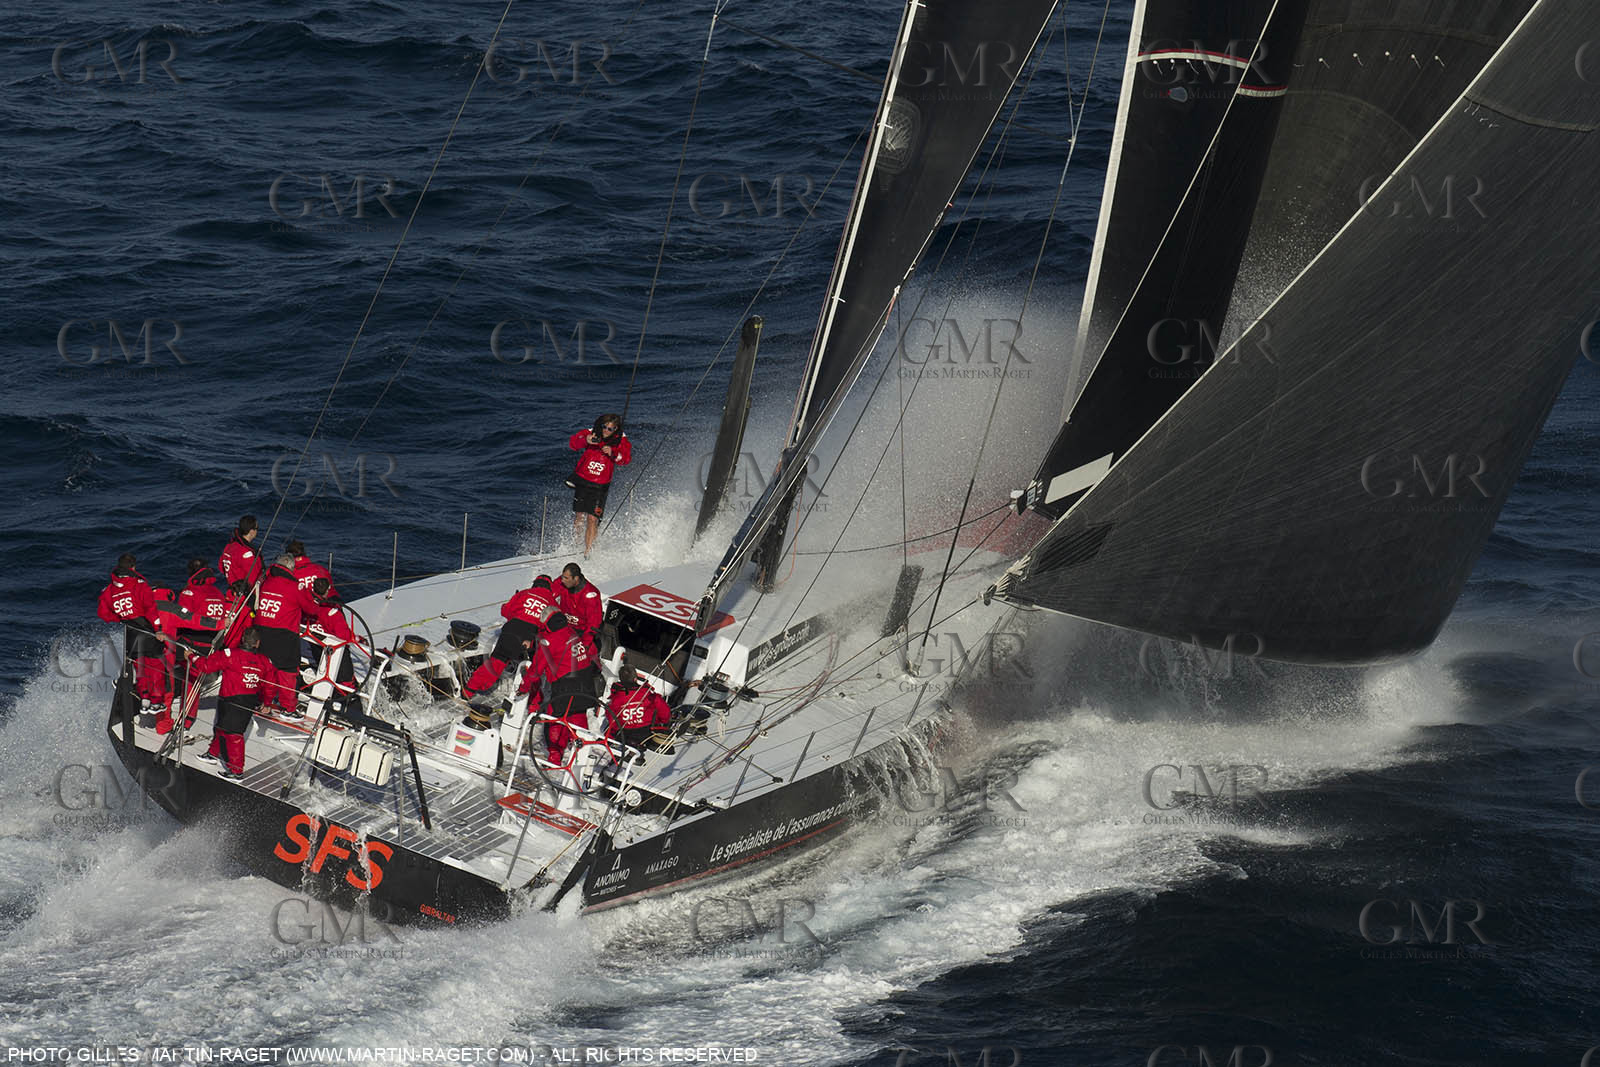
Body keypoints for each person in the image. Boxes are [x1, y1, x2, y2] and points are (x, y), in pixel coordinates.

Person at [191, 627, 273, 780]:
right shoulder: (265, 661)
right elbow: (270, 685)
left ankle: (237, 771)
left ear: (243, 640)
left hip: (230, 699)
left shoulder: (230, 655)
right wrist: (267, 703)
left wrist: (191, 657)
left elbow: (206, 666)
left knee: (234, 734)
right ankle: (213, 754)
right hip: (245, 700)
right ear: (257, 643)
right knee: (222, 727)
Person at [517, 612, 599, 762]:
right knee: (577, 714)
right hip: (586, 681)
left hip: (566, 685)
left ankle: (555, 757)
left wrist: (523, 687)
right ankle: (583, 754)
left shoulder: (548, 641)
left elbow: (536, 671)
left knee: (554, 718)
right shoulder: (571, 631)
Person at [463, 573, 560, 698]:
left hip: (511, 629)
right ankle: (530, 698)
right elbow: (554, 626)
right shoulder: (552, 601)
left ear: (534, 584)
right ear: (549, 588)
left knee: (496, 662)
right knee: (534, 667)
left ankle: (469, 690)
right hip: (530, 636)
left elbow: (505, 611)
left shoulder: (524, 593)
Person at [96, 553, 166, 712]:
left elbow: (103, 613)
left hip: (130, 632)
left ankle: (145, 700)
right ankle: (155, 701)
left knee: (140, 666)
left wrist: (120, 619)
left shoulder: (109, 589)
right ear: (133, 567)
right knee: (154, 667)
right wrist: (159, 629)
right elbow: (150, 609)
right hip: (146, 629)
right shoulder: (139, 584)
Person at [253, 554, 315, 718]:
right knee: (287, 671)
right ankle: (288, 708)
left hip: (260, 632)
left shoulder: (266, 581)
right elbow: (311, 609)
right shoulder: (295, 587)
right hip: (283, 635)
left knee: (265, 669)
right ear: (291, 568)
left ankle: (261, 701)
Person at [568, 414, 630, 557]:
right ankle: (575, 545)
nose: (607, 431)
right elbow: (573, 444)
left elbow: (625, 459)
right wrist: (586, 440)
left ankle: (588, 551)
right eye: (605, 427)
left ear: (616, 429)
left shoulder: (621, 439)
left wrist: (613, 453)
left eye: (611, 429)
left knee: (593, 518)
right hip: (583, 480)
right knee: (579, 516)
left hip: (600, 485)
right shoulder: (590, 432)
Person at [305, 577, 358, 692]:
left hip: (316, 652)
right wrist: (358, 639)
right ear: (328, 590)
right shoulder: (332, 613)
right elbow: (345, 637)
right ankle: (348, 692)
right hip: (335, 658)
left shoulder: (306, 608)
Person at [604, 662, 673, 751]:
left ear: (620, 679)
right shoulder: (649, 695)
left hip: (624, 735)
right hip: (647, 734)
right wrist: (664, 722)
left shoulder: (614, 699)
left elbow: (612, 722)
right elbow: (665, 713)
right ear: (635, 679)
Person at [556, 562, 604, 658]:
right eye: (562, 577)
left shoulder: (590, 594)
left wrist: (585, 645)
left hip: (583, 632)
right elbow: (548, 592)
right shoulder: (562, 583)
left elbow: (593, 623)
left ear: (576, 578)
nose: (562, 580)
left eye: (566, 578)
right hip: (565, 628)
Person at [218, 515, 263, 589]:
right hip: (244, 594)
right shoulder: (247, 554)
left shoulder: (229, 547)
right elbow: (254, 578)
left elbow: (221, 567)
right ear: (251, 531)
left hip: (231, 591)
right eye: (257, 528)